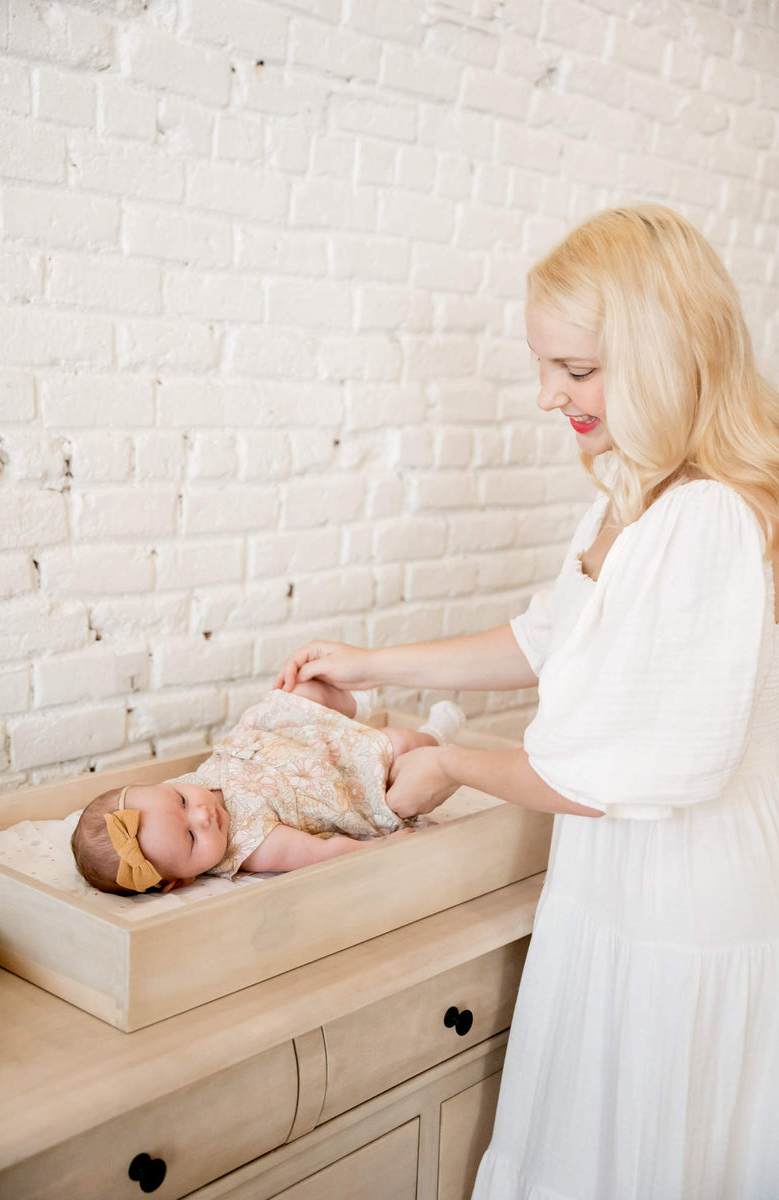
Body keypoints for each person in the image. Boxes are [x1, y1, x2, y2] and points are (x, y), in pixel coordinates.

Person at [275, 204, 779, 1198]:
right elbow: (547, 639)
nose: (547, 395)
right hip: (611, 885)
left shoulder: (709, 520)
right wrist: (373, 664)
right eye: (544, 366)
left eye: (574, 370)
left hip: (674, 900)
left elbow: (629, 772)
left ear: (663, 356)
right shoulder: (630, 499)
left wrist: (454, 763)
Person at [71, 681, 464, 894]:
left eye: (181, 801)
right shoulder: (251, 846)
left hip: (296, 744)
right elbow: (321, 853)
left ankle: (353, 706)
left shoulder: (173, 797)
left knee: (294, 692)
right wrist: (380, 849)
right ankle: (436, 736)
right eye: (192, 838)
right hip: (345, 780)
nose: (202, 814)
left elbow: (156, 811)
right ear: (181, 880)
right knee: (403, 749)